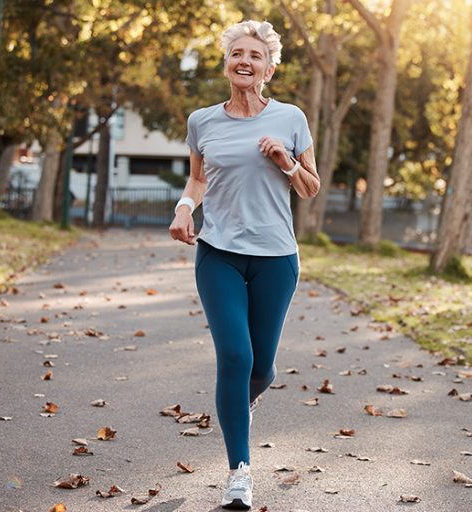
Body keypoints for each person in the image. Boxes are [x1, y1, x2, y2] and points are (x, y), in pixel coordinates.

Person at [169, 19, 320, 510]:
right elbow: (197, 181)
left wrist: (286, 162)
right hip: (219, 254)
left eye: (255, 55)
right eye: (237, 53)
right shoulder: (202, 121)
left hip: (277, 258)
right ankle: (240, 472)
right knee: (235, 358)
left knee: (263, 369)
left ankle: (238, 405)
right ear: (226, 62)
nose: (244, 61)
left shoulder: (291, 118)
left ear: (269, 69)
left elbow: (311, 188)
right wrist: (184, 209)